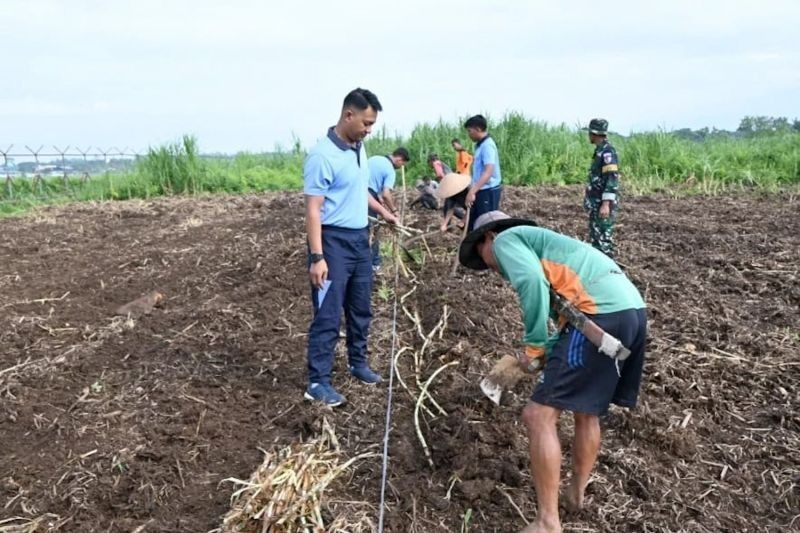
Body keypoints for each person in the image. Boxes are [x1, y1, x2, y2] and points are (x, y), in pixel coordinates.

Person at [459, 211, 647, 533]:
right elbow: (557, 311)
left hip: (598, 313)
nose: (492, 268)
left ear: (488, 238)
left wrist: (533, 346)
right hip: (631, 311)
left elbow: (531, 283)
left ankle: (547, 522)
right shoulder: (545, 247)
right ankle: (575, 495)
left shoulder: (505, 240)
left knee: (537, 416)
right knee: (586, 412)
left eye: (483, 257)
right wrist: (547, 348)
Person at [303, 88, 398, 407]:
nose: (369, 130)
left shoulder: (359, 148)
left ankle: (358, 364)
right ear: (348, 115)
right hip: (332, 242)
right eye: (367, 123)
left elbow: (359, 192)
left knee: (361, 309)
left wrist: (384, 212)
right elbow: (313, 209)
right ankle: (318, 382)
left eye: (372, 124)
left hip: (360, 239)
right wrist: (317, 257)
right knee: (328, 314)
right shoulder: (321, 156)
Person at [368, 147, 410, 270]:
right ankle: (374, 264)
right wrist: (394, 211)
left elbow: (371, 181)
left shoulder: (374, 158)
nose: (401, 166)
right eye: (402, 164)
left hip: (356, 193)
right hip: (368, 197)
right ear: (399, 159)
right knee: (373, 231)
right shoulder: (390, 170)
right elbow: (386, 194)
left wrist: (377, 197)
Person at [583, 118, 620, 259]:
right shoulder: (600, 150)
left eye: (590, 133)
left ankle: (609, 272)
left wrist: (605, 204)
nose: (589, 136)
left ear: (594, 134)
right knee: (596, 239)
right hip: (596, 203)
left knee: (604, 240)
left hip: (602, 204)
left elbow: (612, 178)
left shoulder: (608, 152)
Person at [464, 115, 502, 230]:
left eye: (470, 131)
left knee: (486, 226)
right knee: (475, 224)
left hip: (488, 191)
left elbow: (488, 171)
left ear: (478, 129)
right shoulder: (479, 146)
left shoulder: (487, 146)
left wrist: (472, 192)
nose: (469, 134)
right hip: (481, 190)